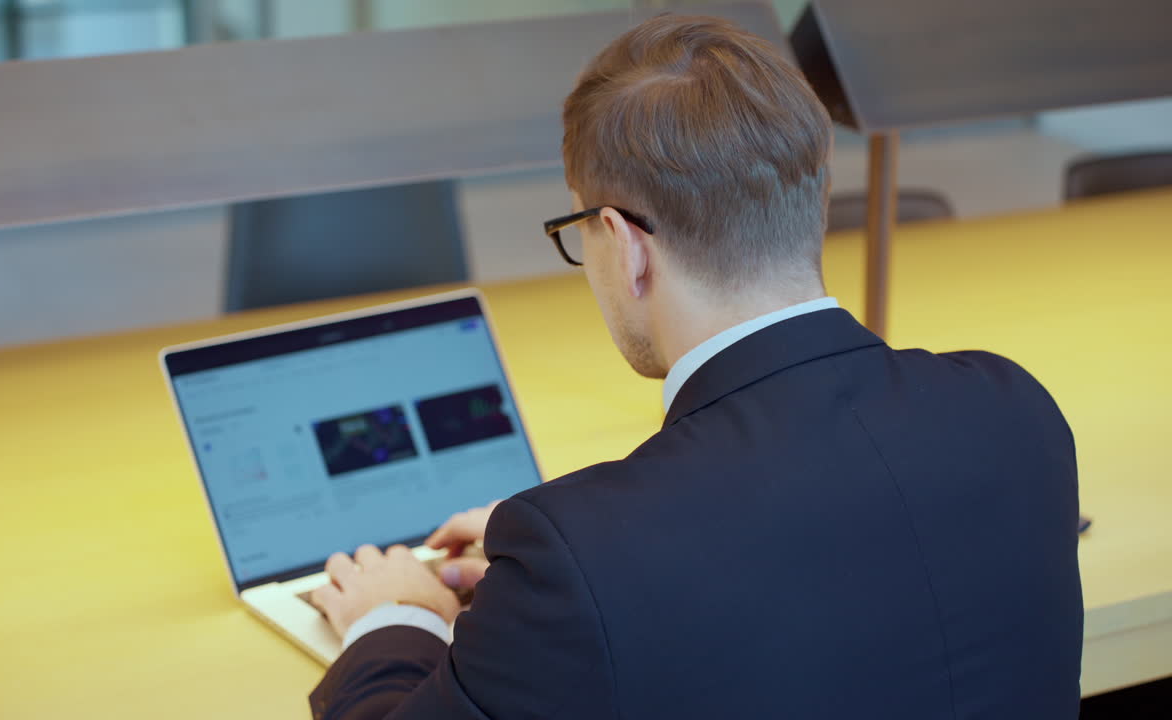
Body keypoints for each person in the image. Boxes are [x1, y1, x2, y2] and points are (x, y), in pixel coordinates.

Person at [306, 14, 1083, 719]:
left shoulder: (582, 557)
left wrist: (394, 617)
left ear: (626, 243)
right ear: (813, 196)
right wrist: (537, 584)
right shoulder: (1013, 411)